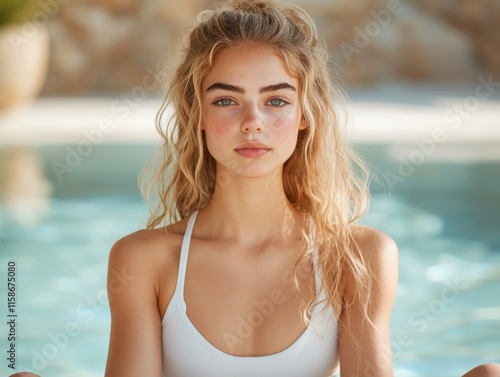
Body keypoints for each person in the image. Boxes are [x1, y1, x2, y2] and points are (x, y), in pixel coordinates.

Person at [104, 1, 500, 376]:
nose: (253, 122)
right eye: (226, 100)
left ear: (305, 115)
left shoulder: (357, 257)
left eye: (276, 100)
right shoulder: (144, 260)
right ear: (197, 115)